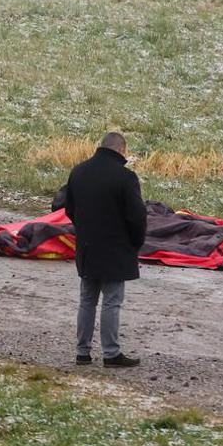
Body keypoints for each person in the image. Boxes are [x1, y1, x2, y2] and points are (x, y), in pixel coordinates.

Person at [62, 131, 147, 368]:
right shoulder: (125, 177)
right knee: (112, 300)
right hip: (116, 247)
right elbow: (137, 217)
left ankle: (82, 352)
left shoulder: (79, 171)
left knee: (87, 300)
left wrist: (85, 229)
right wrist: (135, 242)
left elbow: (68, 208)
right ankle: (111, 353)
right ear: (121, 150)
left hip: (87, 246)